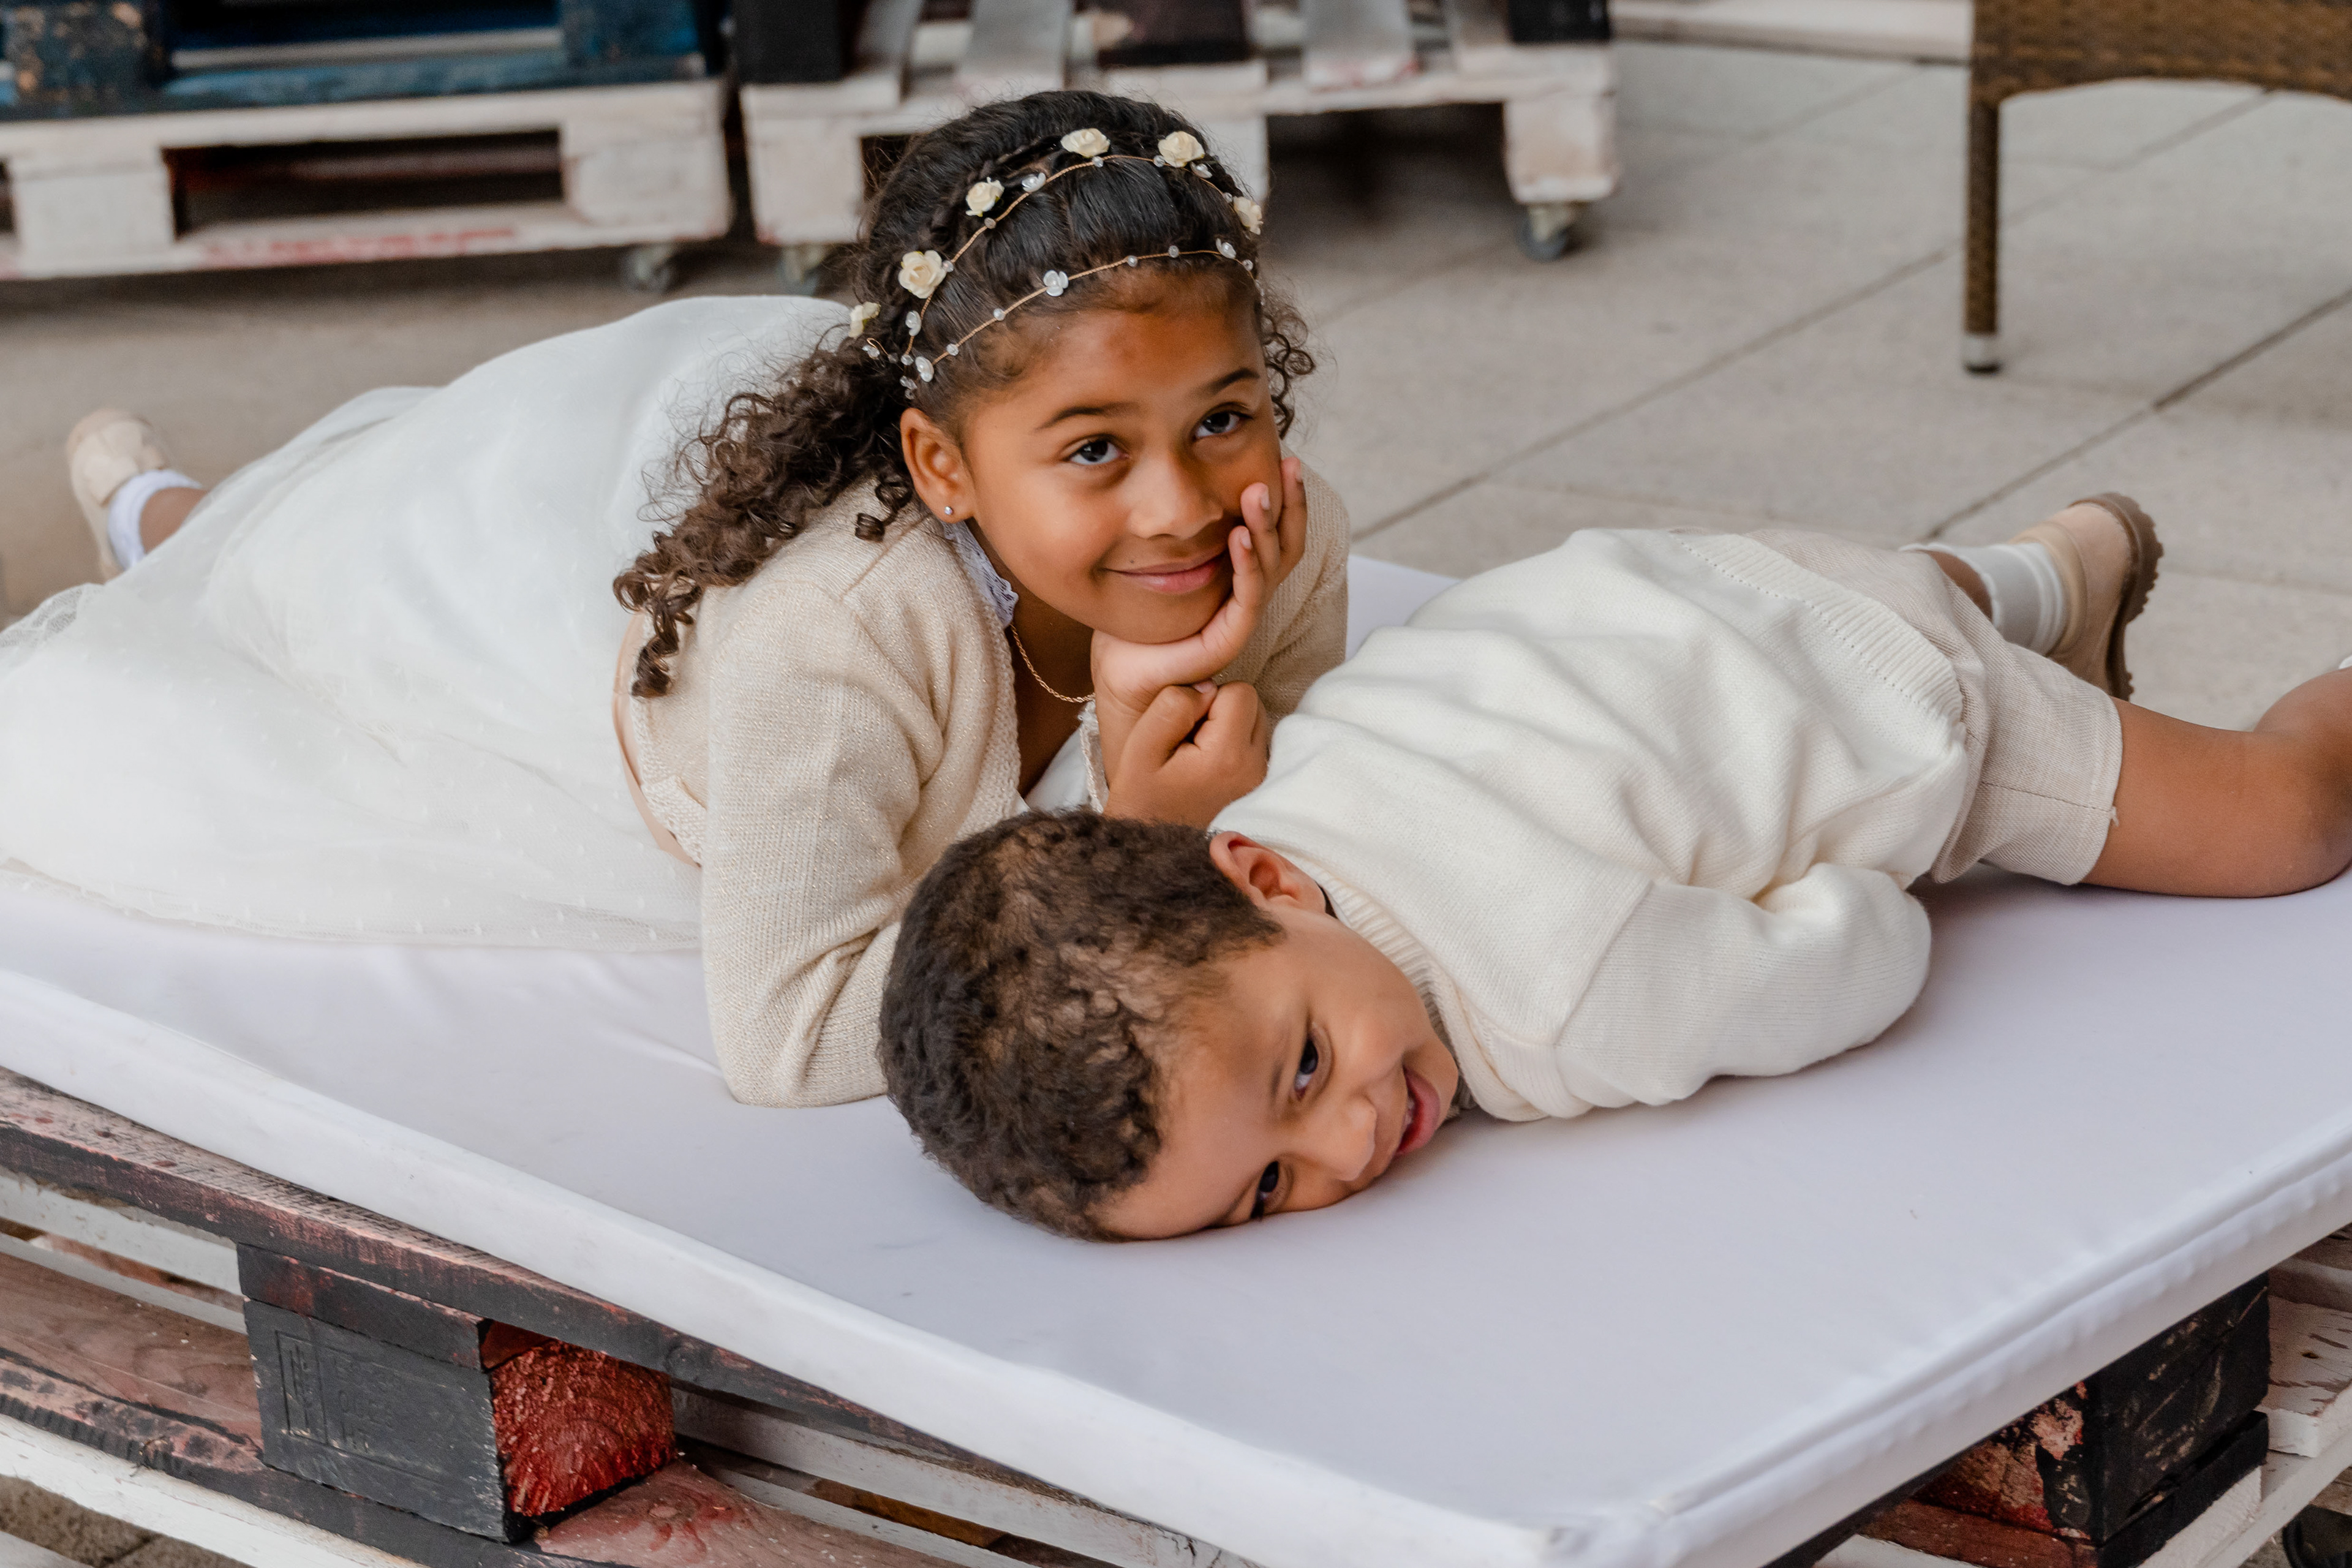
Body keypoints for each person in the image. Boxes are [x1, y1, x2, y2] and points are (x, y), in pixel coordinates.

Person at [1, 89, 1351, 1107]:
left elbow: (1310, 833)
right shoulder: (839, 635)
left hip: (754, 571)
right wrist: (1133, 842)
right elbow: (785, 1038)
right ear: (944, 468)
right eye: (1096, 449)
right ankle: (157, 514)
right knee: (299, 590)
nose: (1180, 506)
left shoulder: (1279, 536)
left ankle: (174, 512)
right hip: (545, 665)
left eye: (1222, 417)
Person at [879, 499, 2352, 1240]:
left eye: (1308, 1065)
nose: (1352, 1140)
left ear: (1262, 879)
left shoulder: (1562, 1008)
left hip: (1893, 693)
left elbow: (1855, 959)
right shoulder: (1258, 821)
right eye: (1270, 1188)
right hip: (1658, 584)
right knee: (1909, 583)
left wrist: (1874, 881)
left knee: (2282, 816)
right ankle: (2049, 567)